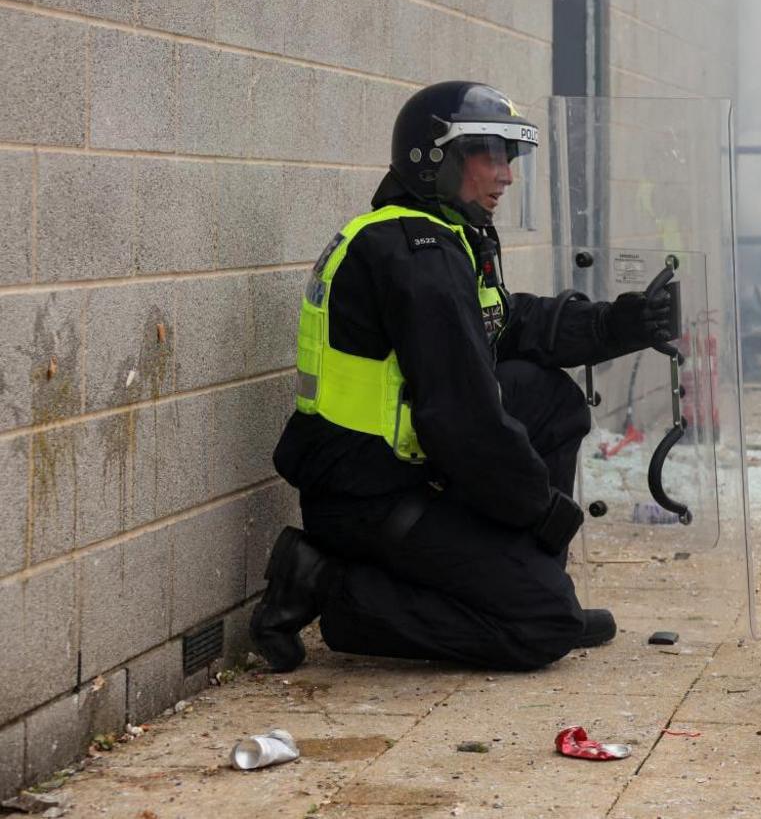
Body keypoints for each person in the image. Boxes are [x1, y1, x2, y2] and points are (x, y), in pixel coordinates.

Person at [250, 82, 681, 674]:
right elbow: (462, 420)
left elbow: (510, 324)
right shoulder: (414, 255)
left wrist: (616, 323)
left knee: (550, 396)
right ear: (437, 157)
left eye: (510, 158)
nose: (506, 175)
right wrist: (539, 510)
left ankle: (529, 581)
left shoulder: (440, 234)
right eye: (490, 155)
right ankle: (327, 584)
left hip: (401, 471)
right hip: (369, 497)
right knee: (542, 626)